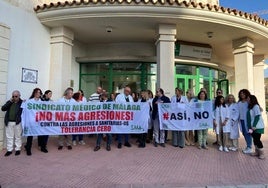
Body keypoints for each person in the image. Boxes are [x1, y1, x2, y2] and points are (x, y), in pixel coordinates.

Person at [1, 90, 23, 156]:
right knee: (9, 137)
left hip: (17, 122)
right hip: (9, 122)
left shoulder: (22, 103)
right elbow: (3, 108)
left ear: (19, 96)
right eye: (13, 96)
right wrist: (10, 101)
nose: (14, 97)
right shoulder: (9, 102)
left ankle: (18, 149)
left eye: (16, 96)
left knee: (18, 136)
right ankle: (9, 150)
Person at [24, 88, 43, 156]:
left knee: (40, 134)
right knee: (30, 136)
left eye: (39, 92)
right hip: (31, 121)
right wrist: (24, 102)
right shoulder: (29, 101)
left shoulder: (42, 102)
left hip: (39, 121)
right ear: (34, 93)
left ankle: (42, 147)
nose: (38, 94)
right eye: (37, 92)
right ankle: (28, 149)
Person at [247, 95, 265, 159]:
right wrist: (249, 127)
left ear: (252, 99)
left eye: (248, 99)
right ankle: (257, 152)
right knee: (254, 139)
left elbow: (257, 116)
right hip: (251, 127)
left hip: (257, 127)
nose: (247, 100)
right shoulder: (250, 107)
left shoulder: (256, 106)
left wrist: (254, 126)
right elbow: (249, 118)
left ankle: (262, 153)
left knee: (257, 140)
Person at [238, 89, 252, 154]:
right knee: (244, 133)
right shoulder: (239, 102)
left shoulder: (248, 101)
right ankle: (248, 146)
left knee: (248, 133)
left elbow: (255, 107)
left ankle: (249, 147)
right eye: (241, 94)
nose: (242, 94)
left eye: (243, 93)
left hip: (248, 121)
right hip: (241, 120)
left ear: (246, 94)